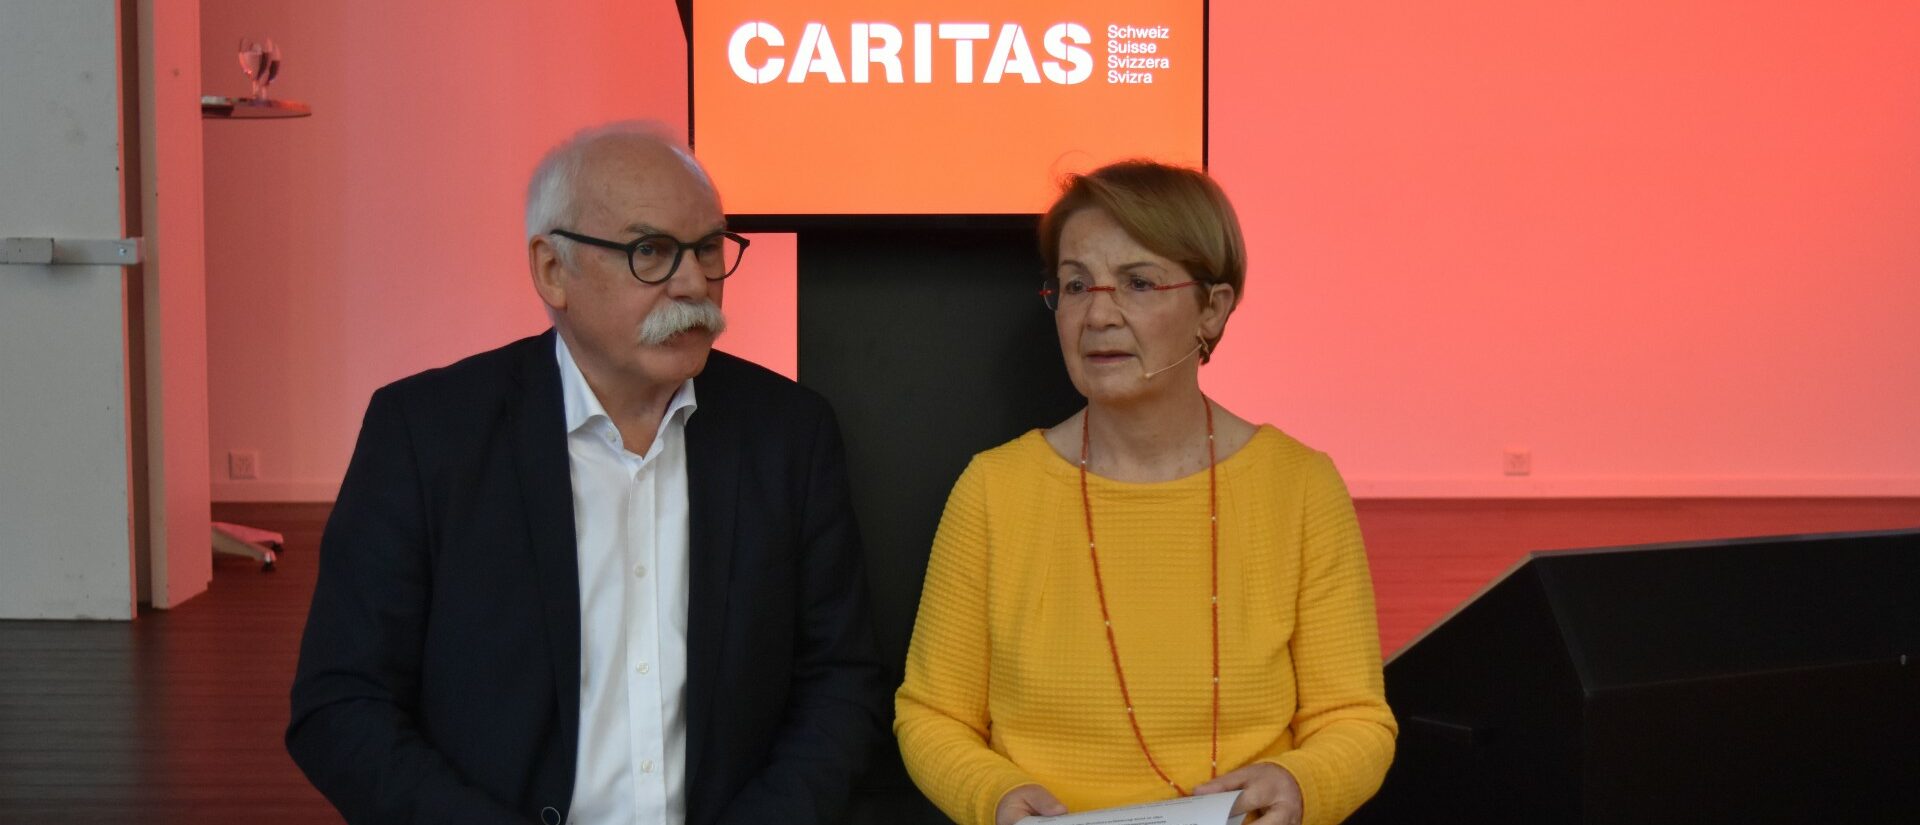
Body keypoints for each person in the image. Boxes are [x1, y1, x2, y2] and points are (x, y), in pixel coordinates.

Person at [287, 122, 887, 825]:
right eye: (652, 251)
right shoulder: (426, 435)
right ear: (551, 270)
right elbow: (342, 704)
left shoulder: (787, 433)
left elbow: (841, 683)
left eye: (709, 248)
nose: (694, 281)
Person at [894, 161, 1397, 825]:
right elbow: (931, 714)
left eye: (1137, 282)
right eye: (1075, 285)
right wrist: (993, 797)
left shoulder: (1299, 487)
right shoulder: (993, 490)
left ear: (1211, 310)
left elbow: (1356, 718)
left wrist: (1301, 782)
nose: (1097, 314)